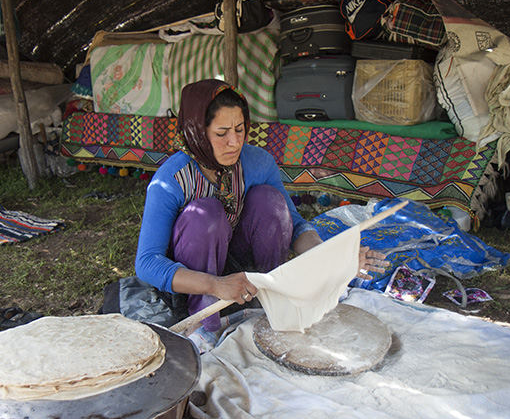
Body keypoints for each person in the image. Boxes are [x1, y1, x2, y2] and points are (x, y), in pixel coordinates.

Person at [135, 79, 384, 334]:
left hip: (243, 269)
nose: (234, 142)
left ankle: (267, 303)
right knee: (205, 216)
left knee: (270, 201)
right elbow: (146, 262)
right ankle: (204, 325)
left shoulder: (258, 162)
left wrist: (331, 256)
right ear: (196, 131)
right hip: (196, 280)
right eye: (221, 133)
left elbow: (295, 224)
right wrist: (213, 284)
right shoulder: (171, 180)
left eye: (240, 129)